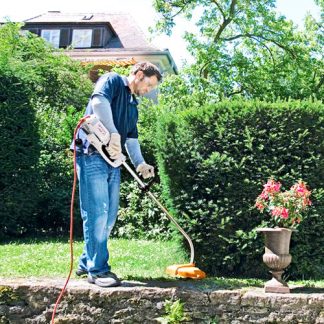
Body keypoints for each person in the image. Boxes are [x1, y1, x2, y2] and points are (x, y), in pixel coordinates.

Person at [71, 62, 162, 287]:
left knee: (109, 217)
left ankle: (85, 261)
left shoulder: (132, 105)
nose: (148, 90)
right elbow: (98, 102)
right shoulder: (112, 80)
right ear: (139, 74)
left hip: (112, 161)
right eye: (149, 84)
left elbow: (131, 139)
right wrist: (112, 133)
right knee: (97, 214)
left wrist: (140, 163)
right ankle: (98, 271)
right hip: (92, 154)